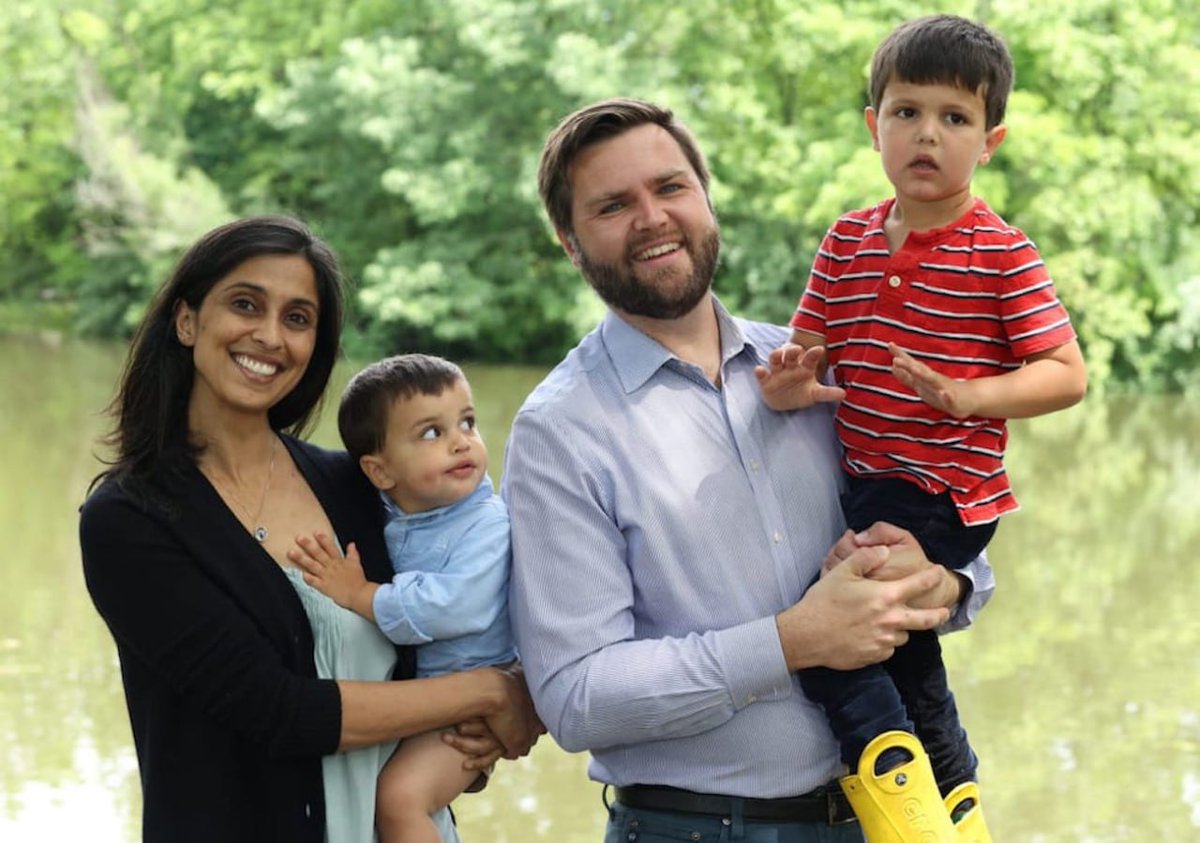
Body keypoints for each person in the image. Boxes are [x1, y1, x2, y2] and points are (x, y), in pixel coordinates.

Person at [500, 97, 995, 843]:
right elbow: (576, 696)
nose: (652, 217)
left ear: (705, 199)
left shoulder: (826, 367)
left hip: (896, 816)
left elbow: (956, 518)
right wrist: (792, 640)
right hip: (697, 829)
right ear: (571, 244)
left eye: (670, 188)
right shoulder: (559, 430)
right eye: (613, 205)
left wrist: (947, 581)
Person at [79, 215, 540, 843]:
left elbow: (424, 665)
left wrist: (485, 730)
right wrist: (489, 691)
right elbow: (279, 712)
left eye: (297, 318)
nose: (270, 336)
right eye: (246, 304)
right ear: (188, 320)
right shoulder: (130, 520)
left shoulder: (356, 486)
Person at [755, 14, 1087, 840]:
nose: (927, 134)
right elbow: (809, 356)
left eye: (954, 117)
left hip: (948, 488)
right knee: (904, 650)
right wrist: (790, 385)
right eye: (906, 112)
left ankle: (899, 802)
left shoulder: (1001, 253)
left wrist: (971, 397)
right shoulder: (846, 240)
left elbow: (1066, 374)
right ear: (875, 127)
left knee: (832, 625)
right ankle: (956, 797)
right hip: (865, 481)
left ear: (990, 141)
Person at [289, 353, 517, 843]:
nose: (462, 441)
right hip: (424, 701)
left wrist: (363, 594)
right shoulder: (391, 520)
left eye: (468, 422)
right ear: (379, 471)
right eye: (432, 433)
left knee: (399, 800)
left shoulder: (488, 524)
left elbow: (455, 606)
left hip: (465, 712)